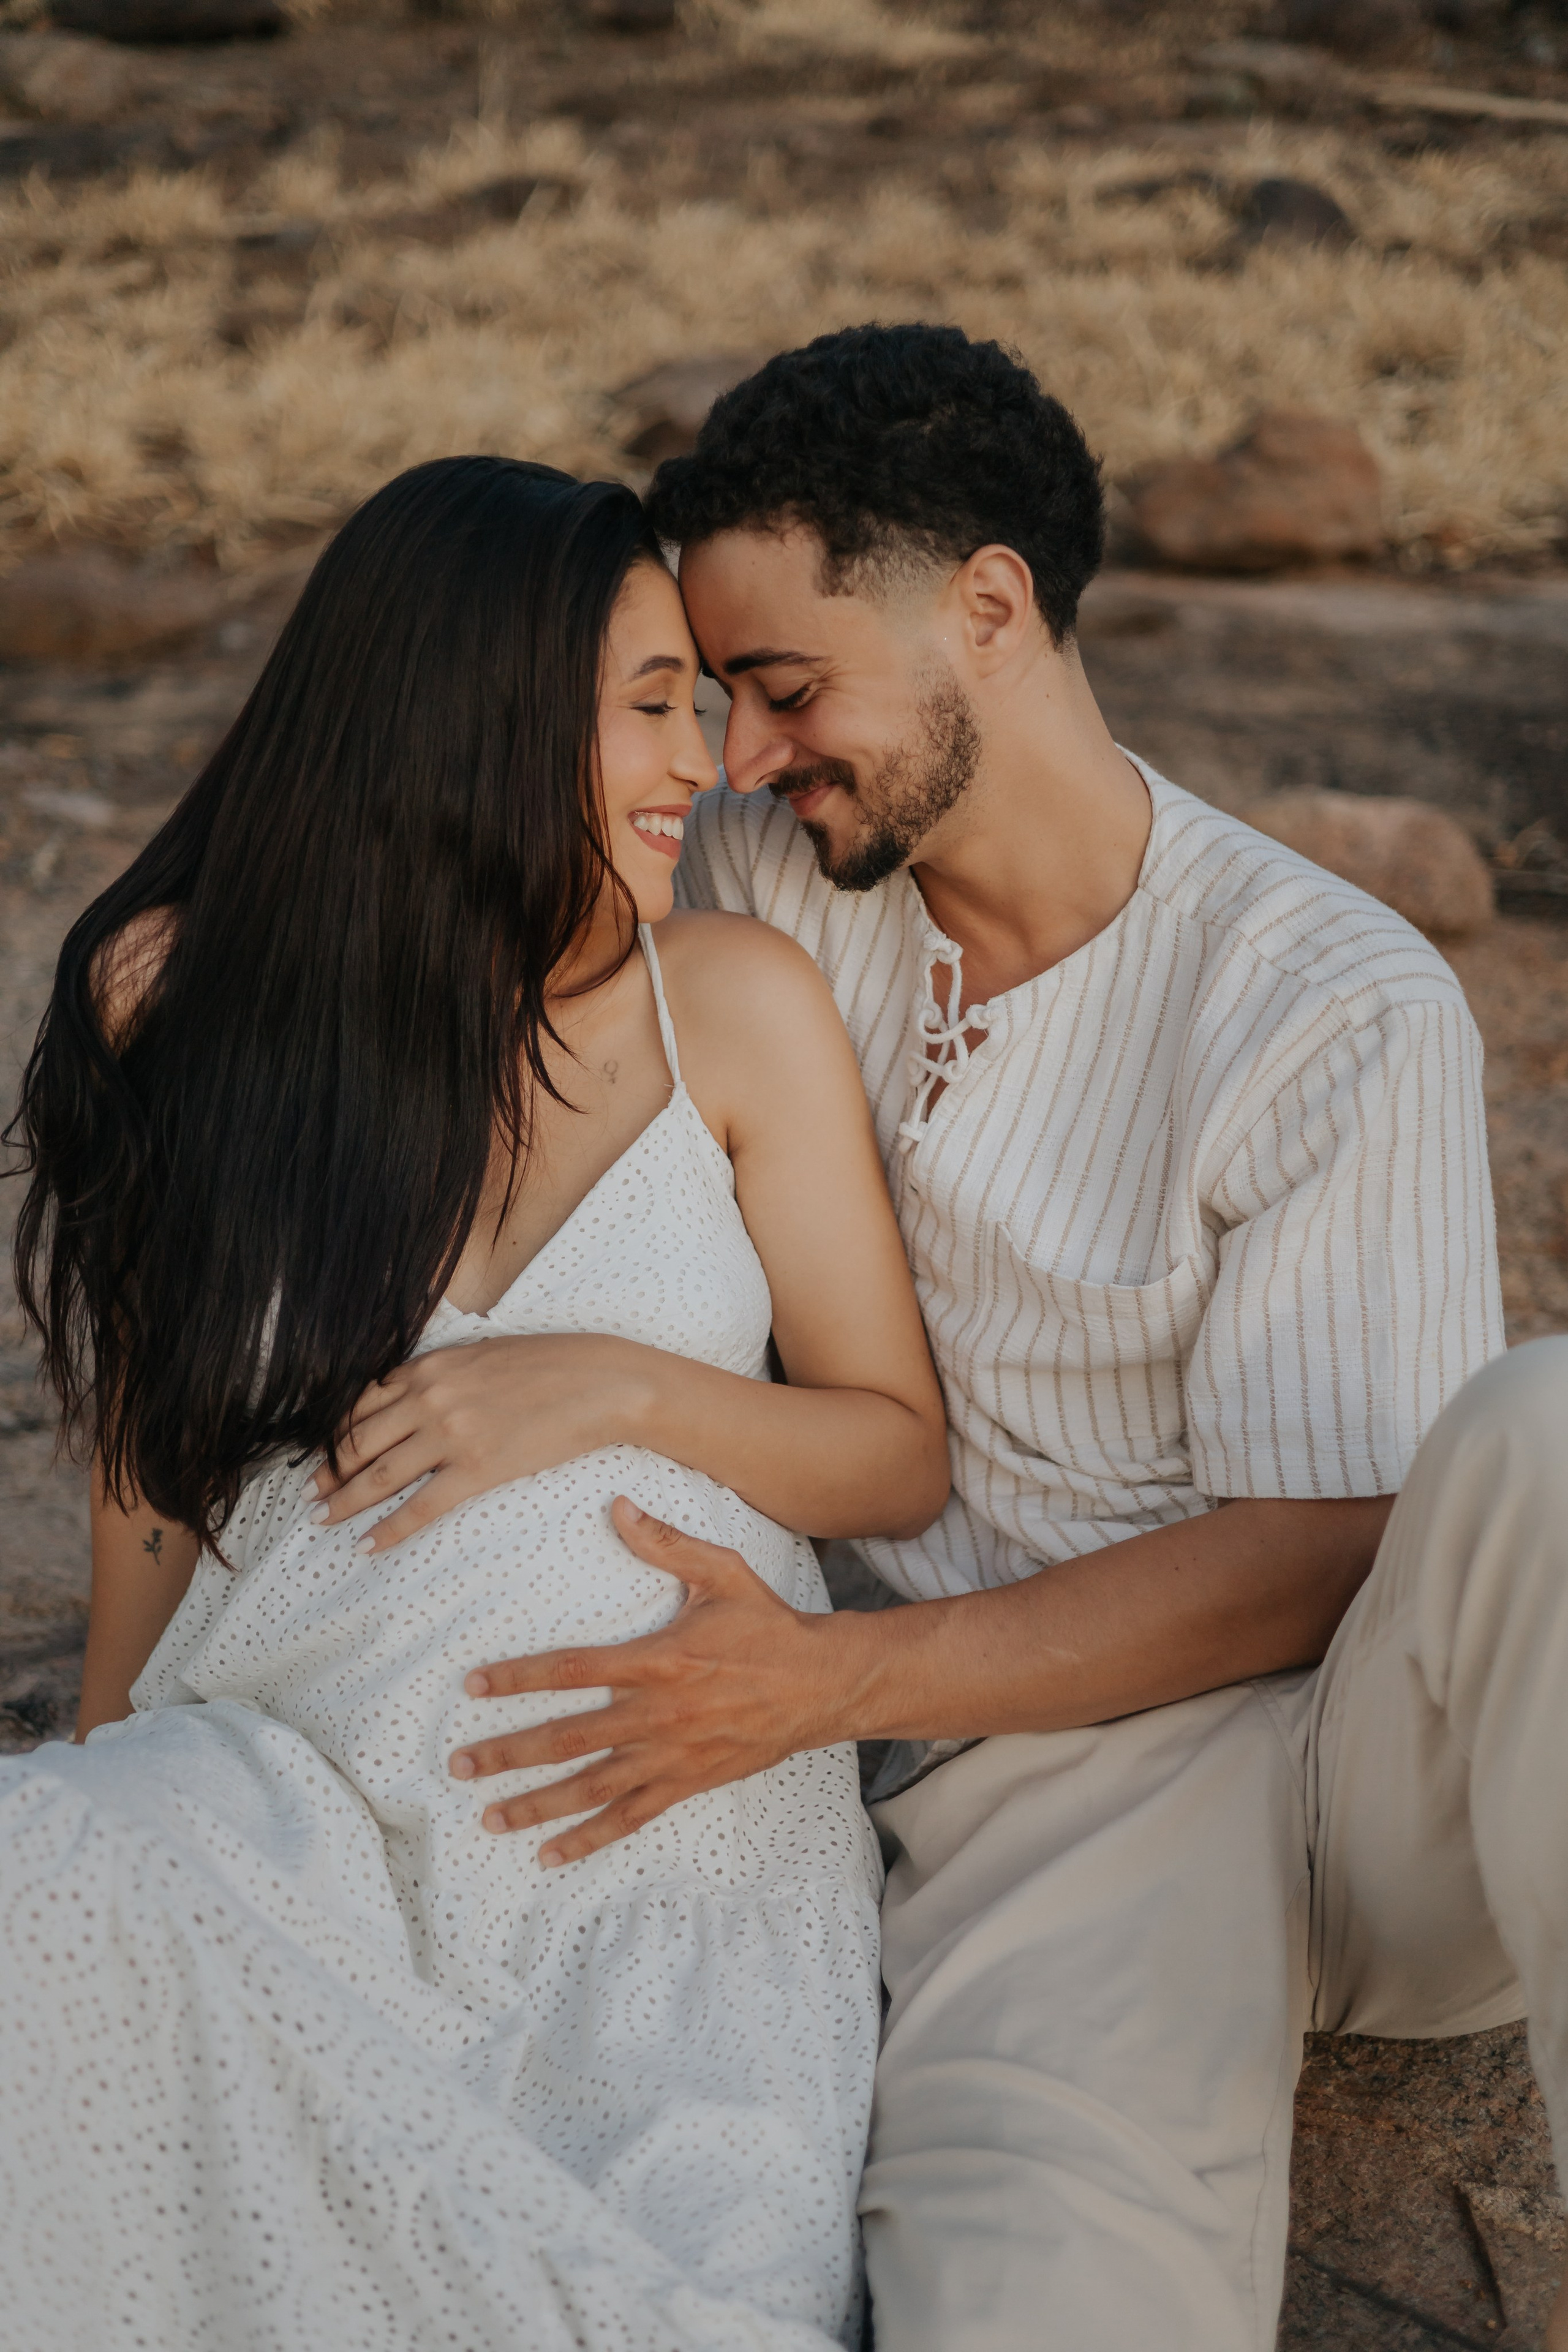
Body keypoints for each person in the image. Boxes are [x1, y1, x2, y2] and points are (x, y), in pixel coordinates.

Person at [328, 331, 1568, 2352]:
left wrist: (814, 1681)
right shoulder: (755, 873)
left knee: (1553, 1438)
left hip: (1370, 1767)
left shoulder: (1329, 999)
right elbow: (406, 884)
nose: (736, 753)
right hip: (1033, 1813)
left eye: (788, 688)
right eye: (715, 697)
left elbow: (1323, 1549)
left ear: (991, 609)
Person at [0, 453, 954, 2351]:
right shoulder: (176, 997)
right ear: (476, 710)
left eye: (704, 702)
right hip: (291, 1797)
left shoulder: (732, 1004)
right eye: (651, 706)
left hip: (663, 1868)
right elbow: (152, 1448)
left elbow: (892, 1449)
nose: (705, 762)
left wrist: (610, 1384)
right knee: (48, 1893)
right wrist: (109, 1746)